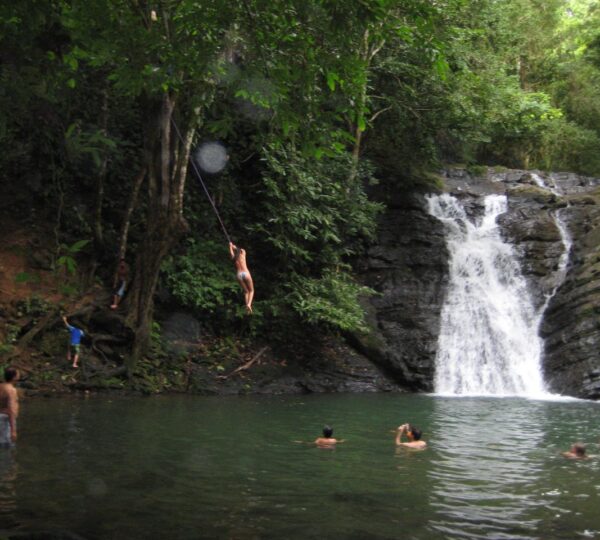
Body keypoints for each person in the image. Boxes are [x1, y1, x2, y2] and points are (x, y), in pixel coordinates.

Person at [229, 241, 254, 313]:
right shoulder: (243, 253)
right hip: (246, 273)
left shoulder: (234, 258)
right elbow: (240, 249)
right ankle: (249, 304)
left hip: (239, 275)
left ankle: (247, 305)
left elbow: (231, 253)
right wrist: (234, 247)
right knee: (251, 290)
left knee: (246, 292)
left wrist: (230, 247)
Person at [0, 367, 20, 446]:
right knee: (8, 447)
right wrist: (13, 430)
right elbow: (11, 409)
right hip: (6, 420)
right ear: (14, 377)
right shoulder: (11, 390)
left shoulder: (1, 386)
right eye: (18, 374)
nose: (19, 375)